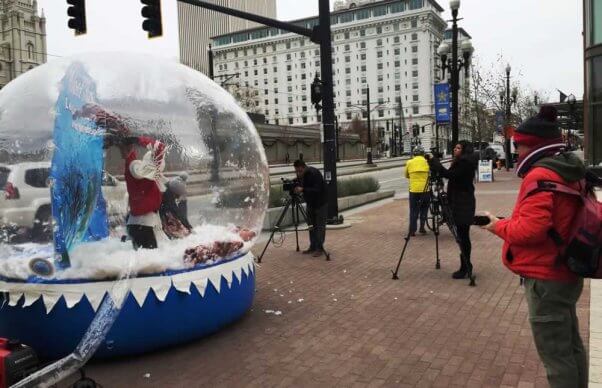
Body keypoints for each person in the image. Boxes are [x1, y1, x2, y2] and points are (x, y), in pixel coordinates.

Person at [482, 106, 587, 388]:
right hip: (565, 269)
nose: (516, 152)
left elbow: (531, 230)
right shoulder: (568, 170)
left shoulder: (540, 176)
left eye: (519, 145)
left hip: (546, 277)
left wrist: (497, 226)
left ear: (535, 145)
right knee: (570, 346)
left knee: (556, 356)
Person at [430, 140, 477, 279]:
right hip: (460, 201)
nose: (455, 150)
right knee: (462, 236)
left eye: (458, 148)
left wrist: (436, 164)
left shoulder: (464, 163)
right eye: (455, 147)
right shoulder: (461, 162)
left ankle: (466, 266)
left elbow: (450, 175)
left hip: (462, 203)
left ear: (464, 150)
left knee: (462, 236)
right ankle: (466, 265)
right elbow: (449, 175)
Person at [293, 160, 327, 257]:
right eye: (296, 171)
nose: (298, 173)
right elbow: (302, 186)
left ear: (303, 167)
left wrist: (303, 189)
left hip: (320, 203)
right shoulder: (301, 176)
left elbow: (317, 190)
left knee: (320, 227)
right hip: (310, 204)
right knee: (311, 226)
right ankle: (313, 246)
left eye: (299, 171)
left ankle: (319, 248)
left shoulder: (314, 173)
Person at [405, 145, 430, 236]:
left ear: (414, 153)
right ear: (423, 154)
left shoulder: (409, 162)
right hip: (425, 190)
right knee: (424, 208)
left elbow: (406, 175)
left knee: (413, 210)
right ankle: (422, 227)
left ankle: (412, 230)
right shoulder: (427, 162)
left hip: (414, 190)